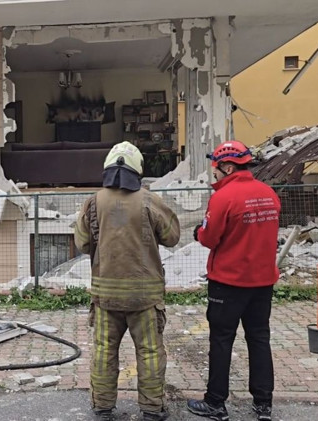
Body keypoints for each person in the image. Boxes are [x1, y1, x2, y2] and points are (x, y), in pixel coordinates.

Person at [74, 141, 180, 421]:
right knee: (150, 352)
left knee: (103, 352)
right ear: (138, 170)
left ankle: (103, 407)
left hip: (106, 296)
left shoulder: (93, 202)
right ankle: (152, 409)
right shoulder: (149, 200)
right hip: (144, 297)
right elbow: (172, 237)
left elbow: (83, 244)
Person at [186, 140, 281, 421]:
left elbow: (210, 237)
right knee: (259, 339)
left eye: (215, 168)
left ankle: (216, 402)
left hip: (228, 282)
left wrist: (197, 232)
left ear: (227, 166)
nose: (214, 173)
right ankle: (263, 404)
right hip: (262, 281)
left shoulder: (224, 197)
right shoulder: (269, 194)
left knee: (222, 340)